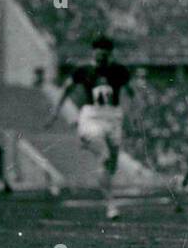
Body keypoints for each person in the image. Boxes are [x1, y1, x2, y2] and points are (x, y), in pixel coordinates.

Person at [46, 34, 134, 219]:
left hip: (113, 116)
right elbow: (66, 89)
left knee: (112, 164)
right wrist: (55, 113)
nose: (102, 58)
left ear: (110, 54)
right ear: (94, 53)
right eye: (99, 53)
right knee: (104, 156)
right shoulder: (83, 70)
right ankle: (111, 205)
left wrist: (131, 116)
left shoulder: (119, 71)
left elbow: (130, 93)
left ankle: (105, 184)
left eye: (106, 54)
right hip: (92, 115)